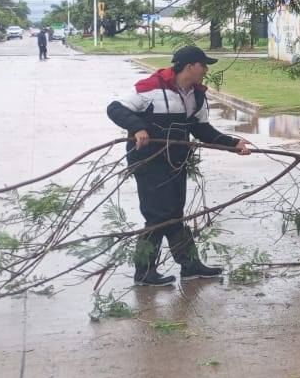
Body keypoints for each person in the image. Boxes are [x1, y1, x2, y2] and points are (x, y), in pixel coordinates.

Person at [107, 46, 252, 286]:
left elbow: (201, 129)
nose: (205, 70)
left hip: (176, 161)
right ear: (189, 67)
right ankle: (144, 272)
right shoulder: (151, 88)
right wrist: (138, 127)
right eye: (203, 65)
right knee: (157, 215)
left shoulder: (195, 95)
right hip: (148, 162)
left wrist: (233, 143)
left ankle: (190, 265)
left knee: (174, 213)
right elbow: (115, 108)